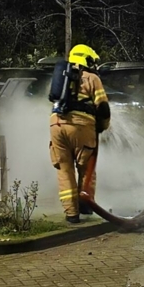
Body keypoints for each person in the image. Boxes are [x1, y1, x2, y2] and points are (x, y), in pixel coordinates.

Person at [48, 44, 111, 224]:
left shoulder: (60, 79)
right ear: (86, 59)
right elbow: (103, 107)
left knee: (64, 170)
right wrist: (103, 126)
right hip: (81, 126)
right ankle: (86, 204)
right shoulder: (92, 78)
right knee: (86, 167)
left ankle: (71, 214)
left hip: (56, 125)